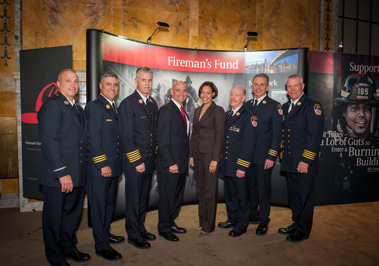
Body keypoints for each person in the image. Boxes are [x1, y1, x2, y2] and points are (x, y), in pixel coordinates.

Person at [38, 68, 91, 266]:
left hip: (76, 174)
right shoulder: (52, 105)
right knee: (54, 219)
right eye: (68, 81)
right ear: (58, 84)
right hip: (58, 176)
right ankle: (55, 256)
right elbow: (50, 142)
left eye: (76, 81)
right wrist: (62, 173)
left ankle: (69, 248)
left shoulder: (76, 107)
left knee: (72, 215)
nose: (73, 85)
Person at [279, 74, 324, 242]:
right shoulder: (286, 106)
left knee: (305, 196)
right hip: (290, 160)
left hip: (304, 162)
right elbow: (285, 133)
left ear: (302, 86)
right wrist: (282, 148)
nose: (292, 89)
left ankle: (304, 230)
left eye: (295, 86)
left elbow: (314, 137)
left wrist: (306, 160)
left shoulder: (312, 106)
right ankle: (297, 223)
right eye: (289, 86)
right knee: (294, 196)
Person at [118, 67, 158, 249]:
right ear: (136, 81)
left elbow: (152, 134)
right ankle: (133, 234)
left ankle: (140, 227)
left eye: (150, 80)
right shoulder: (128, 103)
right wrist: (137, 161)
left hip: (149, 162)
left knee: (143, 199)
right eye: (144, 80)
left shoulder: (152, 104)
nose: (147, 83)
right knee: (134, 200)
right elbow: (127, 137)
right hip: (136, 163)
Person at [85, 71, 123, 261]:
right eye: (108, 84)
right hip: (100, 169)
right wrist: (102, 164)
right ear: (101, 86)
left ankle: (105, 234)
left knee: (109, 206)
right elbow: (92, 139)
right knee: (99, 208)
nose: (112, 88)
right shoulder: (94, 107)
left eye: (115, 84)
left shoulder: (113, 107)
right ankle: (101, 245)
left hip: (113, 167)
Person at [244, 74, 283, 235]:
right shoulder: (247, 105)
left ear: (267, 87)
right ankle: (253, 215)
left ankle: (264, 220)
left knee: (263, 189)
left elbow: (277, 135)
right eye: (255, 84)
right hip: (247, 156)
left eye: (262, 85)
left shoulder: (274, 106)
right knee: (250, 188)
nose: (258, 87)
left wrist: (271, 156)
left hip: (263, 156)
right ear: (252, 86)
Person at [219, 86, 258, 237]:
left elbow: (249, 143)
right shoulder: (227, 114)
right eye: (231, 95)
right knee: (230, 195)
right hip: (228, 164)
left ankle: (242, 224)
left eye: (237, 95)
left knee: (243, 197)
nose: (233, 98)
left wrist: (242, 166)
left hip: (240, 166)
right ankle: (232, 218)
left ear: (243, 98)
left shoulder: (249, 116)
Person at [189, 81, 225, 236]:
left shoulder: (218, 111)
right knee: (200, 190)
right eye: (202, 92)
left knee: (210, 191)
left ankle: (208, 226)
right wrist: (191, 154)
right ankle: (202, 222)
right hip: (197, 155)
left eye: (208, 93)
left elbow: (219, 136)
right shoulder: (197, 110)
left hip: (210, 156)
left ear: (214, 94)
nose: (204, 95)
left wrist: (215, 159)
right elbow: (193, 133)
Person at [156, 80, 189, 242]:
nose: (181, 93)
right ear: (171, 91)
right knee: (167, 198)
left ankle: (171, 222)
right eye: (178, 90)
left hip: (181, 164)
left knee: (176, 198)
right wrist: (171, 163)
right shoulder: (166, 110)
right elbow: (162, 140)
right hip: (170, 165)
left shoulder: (183, 110)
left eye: (184, 90)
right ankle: (164, 228)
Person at [332, 74, 378, 140]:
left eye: (367, 108)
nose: (362, 114)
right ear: (343, 111)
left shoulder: (376, 144)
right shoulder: (331, 143)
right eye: (355, 108)